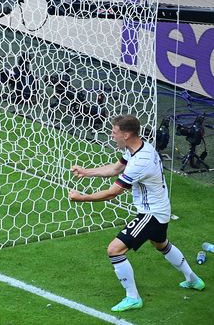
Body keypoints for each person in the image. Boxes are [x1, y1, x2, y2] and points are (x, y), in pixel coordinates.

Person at [69, 114, 205, 312]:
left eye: (114, 132)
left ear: (126, 134)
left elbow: (112, 193)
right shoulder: (138, 148)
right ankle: (193, 279)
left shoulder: (141, 161)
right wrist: (86, 171)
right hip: (160, 209)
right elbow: (116, 168)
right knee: (161, 244)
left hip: (152, 213)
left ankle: (133, 298)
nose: (111, 135)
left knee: (114, 250)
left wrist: (82, 197)